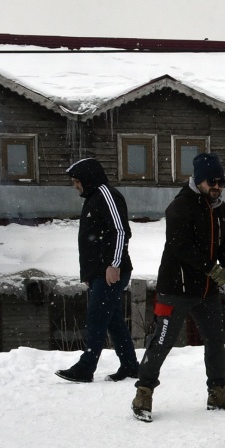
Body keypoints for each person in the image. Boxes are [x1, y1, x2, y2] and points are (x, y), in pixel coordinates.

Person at [132, 152, 225, 423]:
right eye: (211, 181)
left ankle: (217, 391)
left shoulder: (223, 210)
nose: (217, 186)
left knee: (216, 340)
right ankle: (143, 392)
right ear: (198, 180)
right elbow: (181, 247)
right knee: (162, 341)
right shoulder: (180, 206)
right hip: (175, 288)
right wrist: (214, 270)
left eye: (221, 181)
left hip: (206, 291)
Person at [56, 156, 140, 384]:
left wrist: (115, 264)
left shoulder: (107, 195)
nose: (75, 186)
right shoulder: (93, 198)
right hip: (99, 273)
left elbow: (121, 231)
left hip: (112, 271)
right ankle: (131, 366)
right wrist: (90, 275)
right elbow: (91, 242)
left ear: (87, 178)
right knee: (112, 319)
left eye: (76, 181)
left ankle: (86, 367)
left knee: (96, 317)